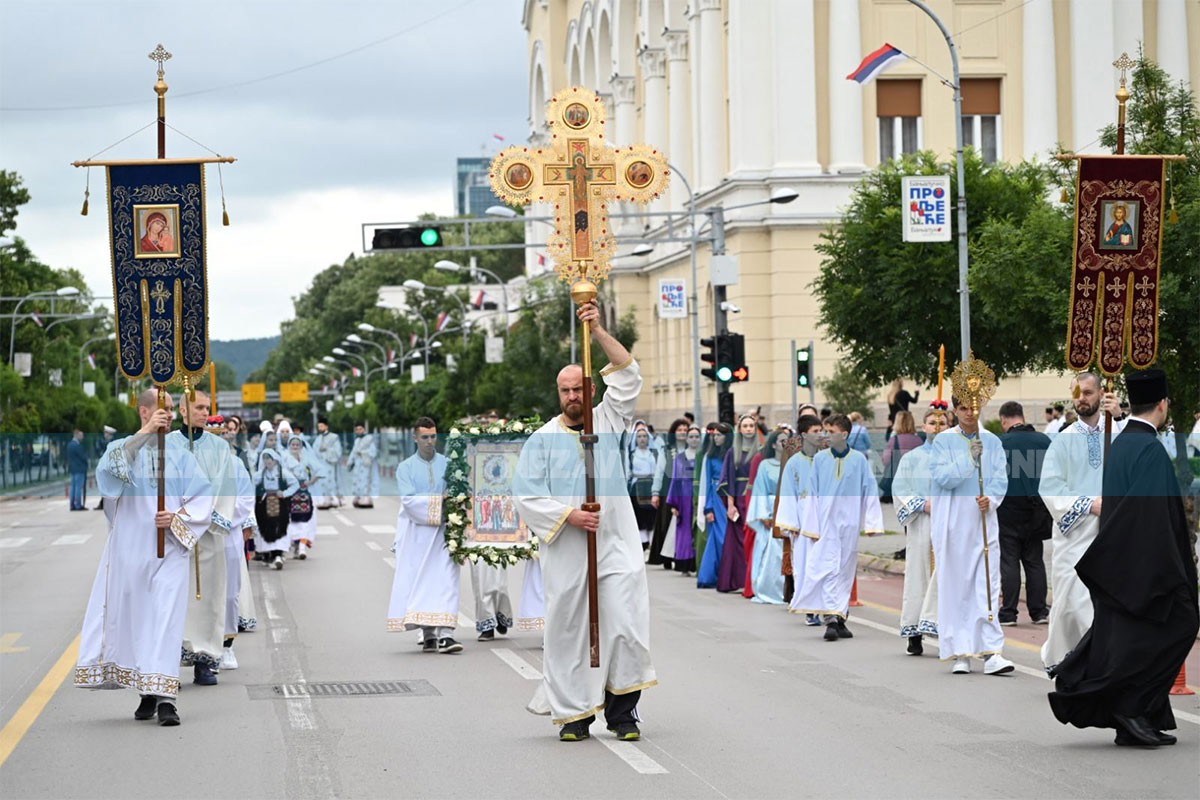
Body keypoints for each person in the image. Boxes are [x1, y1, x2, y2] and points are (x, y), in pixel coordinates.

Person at [512, 299, 655, 742]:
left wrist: (595, 331)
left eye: (579, 388)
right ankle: (575, 715)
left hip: (615, 543)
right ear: (559, 394)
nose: (573, 397)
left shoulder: (609, 420)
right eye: (565, 391)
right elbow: (526, 494)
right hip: (569, 550)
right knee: (570, 630)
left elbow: (629, 373)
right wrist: (569, 515)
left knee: (625, 625)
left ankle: (623, 713)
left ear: (591, 389)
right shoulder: (543, 440)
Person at [1049, 369, 1199, 747]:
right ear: (1163, 405)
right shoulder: (1146, 448)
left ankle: (1143, 713)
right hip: (1143, 565)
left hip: (1119, 560)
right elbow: (1152, 518)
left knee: (1130, 642)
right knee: (1179, 623)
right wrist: (1171, 568)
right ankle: (1131, 709)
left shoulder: (1121, 442)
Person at [74, 389, 215, 727]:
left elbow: (202, 495)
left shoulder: (180, 454)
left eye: (169, 412)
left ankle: (167, 699)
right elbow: (108, 481)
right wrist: (146, 433)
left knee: (165, 620)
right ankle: (146, 691)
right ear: (144, 411)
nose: (166, 417)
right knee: (139, 622)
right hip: (130, 551)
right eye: (161, 411)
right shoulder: (121, 448)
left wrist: (178, 518)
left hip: (170, 550)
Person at [1038, 373, 1120, 673]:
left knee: (1105, 603)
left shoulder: (1119, 431)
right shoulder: (1063, 440)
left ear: (1101, 393)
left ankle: (1099, 665)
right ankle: (1064, 660)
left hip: (1111, 533)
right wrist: (1089, 503)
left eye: (1087, 392)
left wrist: (1120, 417)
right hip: (1075, 534)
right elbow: (1049, 486)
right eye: (1077, 393)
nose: (1082, 398)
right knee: (1070, 603)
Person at [929, 397, 1015, 676]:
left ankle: (991, 650)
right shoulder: (943, 441)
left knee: (986, 584)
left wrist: (990, 499)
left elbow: (1001, 478)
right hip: (953, 524)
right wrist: (968, 459)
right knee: (956, 587)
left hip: (982, 522)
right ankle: (960, 651)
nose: (969, 413)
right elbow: (942, 478)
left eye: (973, 408)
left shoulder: (993, 441)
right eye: (963, 408)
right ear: (955, 410)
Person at [171, 390, 245, 686]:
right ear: (182, 410)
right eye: (198, 407)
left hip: (209, 534)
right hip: (175, 535)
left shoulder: (219, 447)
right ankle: (168, 663)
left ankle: (205, 660)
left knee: (209, 599)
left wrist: (203, 518)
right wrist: (178, 519)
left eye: (207, 407)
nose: (204, 412)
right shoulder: (167, 444)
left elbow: (225, 487)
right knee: (175, 600)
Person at [792, 414, 882, 641]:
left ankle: (840, 616)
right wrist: (811, 525)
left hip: (849, 524)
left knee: (845, 569)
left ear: (844, 434)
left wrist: (871, 522)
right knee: (826, 567)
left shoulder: (859, 460)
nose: (825, 435)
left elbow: (869, 490)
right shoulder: (821, 459)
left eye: (830, 432)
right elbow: (812, 493)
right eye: (824, 431)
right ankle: (829, 619)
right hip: (825, 523)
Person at [387, 417, 463, 654]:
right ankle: (429, 633)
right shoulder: (405, 468)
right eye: (425, 437)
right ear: (415, 438)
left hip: (445, 532)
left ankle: (447, 634)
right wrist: (441, 504)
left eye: (433, 437)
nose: (430, 442)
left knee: (447, 578)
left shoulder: (449, 464)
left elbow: (458, 490)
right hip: (418, 533)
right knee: (422, 581)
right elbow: (409, 501)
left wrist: (456, 505)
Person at [893, 405, 948, 655]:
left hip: (948, 525)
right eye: (932, 422)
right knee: (918, 576)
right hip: (922, 525)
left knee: (947, 578)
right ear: (923, 426)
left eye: (943, 423)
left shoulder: (956, 457)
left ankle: (947, 629)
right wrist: (923, 504)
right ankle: (914, 631)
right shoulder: (912, 458)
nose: (937, 427)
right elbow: (901, 489)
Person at [996, 401, 1052, 627]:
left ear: (1004, 420)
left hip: (1009, 510)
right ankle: (1039, 612)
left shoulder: (1000, 443)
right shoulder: (1044, 441)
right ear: (1022, 416)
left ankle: (1009, 613)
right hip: (1037, 510)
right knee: (1034, 560)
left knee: (1009, 561)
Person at [776, 414, 825, 616]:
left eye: (821, 430)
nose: (820, 434)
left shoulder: (826, 459)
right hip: (802, 522)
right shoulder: (794, 463)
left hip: (823, 519)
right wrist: (791, 525)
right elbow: (788, 494)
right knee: (804, 565)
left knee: (823, 565)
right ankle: (808, 609)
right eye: (816, 431)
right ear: (804, 434)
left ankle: (825, 606)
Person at [717, 414, 758, 593]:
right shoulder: (732, 452)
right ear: (739, 429)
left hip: (756, 498)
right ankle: (738, 580)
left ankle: (754, 581)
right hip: (739, 499)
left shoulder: (761, 450)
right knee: (737, 542)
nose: (748, 429)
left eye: (751, 426)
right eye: (745, 426)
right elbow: (729, 479)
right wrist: (731, 504)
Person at [747, 429, 788, 604]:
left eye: (788, 441)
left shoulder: (793, 464)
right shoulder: (765, 465)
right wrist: (763, 514)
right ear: (773, 444)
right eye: (781, 441)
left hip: (788, 511)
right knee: (770, 553)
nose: (785, 444)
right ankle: (768, 589)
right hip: (770, 511)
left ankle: (788, 589)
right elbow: (760, 490)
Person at [647, 418, 689, 569]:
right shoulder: (666, 449)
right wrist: (655, 492)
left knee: (681, 524)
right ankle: (665, 557)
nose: (683, 433)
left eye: (685, 430)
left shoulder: (691, 448)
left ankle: (680, 555)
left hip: (686, 492)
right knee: (665, 523)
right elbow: (659, 472)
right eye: (680, 430)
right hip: (668, 490)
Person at [694, 422, 731, 588]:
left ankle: (727, 576)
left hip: (730, 497)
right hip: (715, 499)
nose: (716, 438)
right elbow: (707, 482)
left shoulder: (732, 455)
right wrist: (707, 507)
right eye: (714, 435)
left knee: (729, 539)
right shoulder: (709, 456)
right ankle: (710, 576)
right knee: (718, 538)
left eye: (719, 435)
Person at [281, 434, 327, 561]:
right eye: (293, 445)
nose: (295, 447)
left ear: (301, 446)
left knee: (305, 519)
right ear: (289, 446)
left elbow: (321, 470)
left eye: (297, 445)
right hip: (290, 493)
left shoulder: (306, 458)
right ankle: (290, 547)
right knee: (290, 520)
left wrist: (311, 481)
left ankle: (301, 547)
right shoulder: (284, 458)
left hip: (304, 493)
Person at [664, 426, 702, 576]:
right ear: (686, 439)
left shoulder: (703, 456)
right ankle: (685, 565)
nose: (694, 439)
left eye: (696, 437)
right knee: (685, 531)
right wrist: (673, 504)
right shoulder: (680, 458)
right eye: (691, 436)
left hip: (699, 497)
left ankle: (698, 563)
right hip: (684, 499)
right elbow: (675, 480)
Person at [253, 448, 299, 569]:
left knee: (280, 527)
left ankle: (278, 554)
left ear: (275, 460)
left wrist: (284, 493)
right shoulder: (259, 475)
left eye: (270, 458)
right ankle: (270, 554)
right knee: (266, 528)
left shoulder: (283, 473)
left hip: (280, 505)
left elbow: (295, 484)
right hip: (264, 506)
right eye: (265, 458)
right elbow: (250, 487)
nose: (268, 461)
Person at [626, 421, 660, 551]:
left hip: (651, 486)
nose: (642, 439)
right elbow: (628, 471)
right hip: (637, 486)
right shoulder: (632, 454)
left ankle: (652, 542)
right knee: (640, 515)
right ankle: (642, 544)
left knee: (652, 515)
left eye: (644, 436)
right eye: (639, 436)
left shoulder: (654, 454)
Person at [880, 410, 922, 504]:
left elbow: (886, 460)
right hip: (914, 482)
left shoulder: (894, 439)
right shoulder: (918, 440)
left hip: (897, 480)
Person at [313, 417, 344, 509]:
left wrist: (327, 450)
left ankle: (333, 500)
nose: (320, 428)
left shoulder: (334, 437)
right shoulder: (318, 439)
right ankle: (324, 500)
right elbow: (314, 451)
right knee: (321, 483)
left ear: (326, 426)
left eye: (322, 426)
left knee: (331, 482)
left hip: (330, 464)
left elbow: (338, 451)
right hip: (321, 465)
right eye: (319, 426)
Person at [347, 423, 379, 508]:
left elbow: (373, 452)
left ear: (364, 429)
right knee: (357, 481)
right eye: (357, 429)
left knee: (366, 481)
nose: (358, 431)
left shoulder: (369, 439)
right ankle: (358, 497)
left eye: (360, 429)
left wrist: (362, 453)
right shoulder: (357, 441)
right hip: (358, 465)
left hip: (366, 465)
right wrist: (350, 462)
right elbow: (353, 452)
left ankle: (366, 498)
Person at [92, 425, 117, 510]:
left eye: (107, 433)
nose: (105, 435)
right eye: (105, 433)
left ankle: (105, 503)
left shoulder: (114, 443)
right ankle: (104, 502)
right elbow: (98, 452)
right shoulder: (101, 442)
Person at [67, 428, 88, 510]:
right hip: (80, 469)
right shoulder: (77, 445)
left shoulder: (69, 445)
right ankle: (78, 505)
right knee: (78, 488)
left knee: (73, 487)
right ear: (76, 435)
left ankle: (72, 504)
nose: (82, 437)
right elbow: (83, 457)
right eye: (81, 435)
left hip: (73, 469)